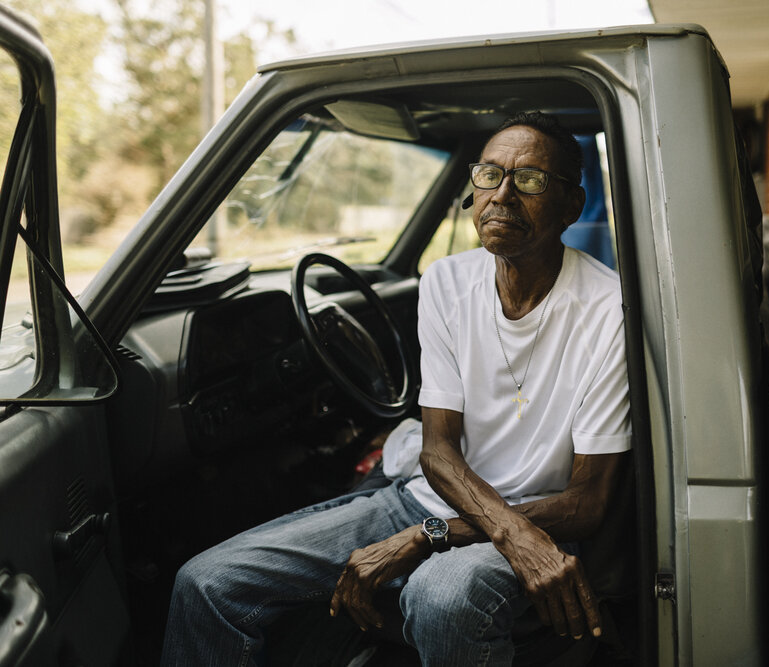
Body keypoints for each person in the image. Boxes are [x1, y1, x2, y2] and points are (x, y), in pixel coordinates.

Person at [161, 111, 631, 666]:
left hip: (540, 517)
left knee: (441, 598)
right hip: (430, 502)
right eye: (489, 175)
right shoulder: (445, 282)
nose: (502, 194)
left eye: (529, 180)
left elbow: (589, 502)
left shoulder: (609, 308)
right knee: (208, 583)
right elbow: (437, 450)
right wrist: (449, 528)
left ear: (571, 206)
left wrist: (432, 537)